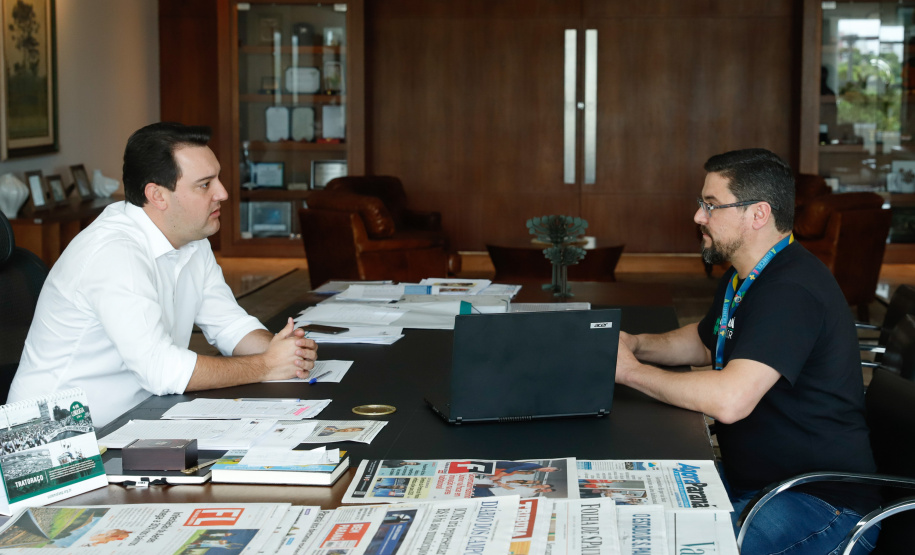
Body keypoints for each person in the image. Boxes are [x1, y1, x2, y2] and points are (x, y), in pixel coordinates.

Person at [615, 148, 881, 554]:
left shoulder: (791, 290)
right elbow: (706, 341)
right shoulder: (748, 274)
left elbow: (731, 399)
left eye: (711, 205)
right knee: (632, 515)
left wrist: (631, 371)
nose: (698, 216)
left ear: (758, 214)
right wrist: (635, 344)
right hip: (759, 483)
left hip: (821, 504)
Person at [9, 122, 318, 427]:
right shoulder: (114, 253)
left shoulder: (191, 240)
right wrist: (265, 366)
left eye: (218, 179)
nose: (222, 193)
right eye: (205, 184)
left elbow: (229, 325)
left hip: (133, 422)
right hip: (53, 446)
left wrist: (284, 351)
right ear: (157, 195)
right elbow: (161, 370)